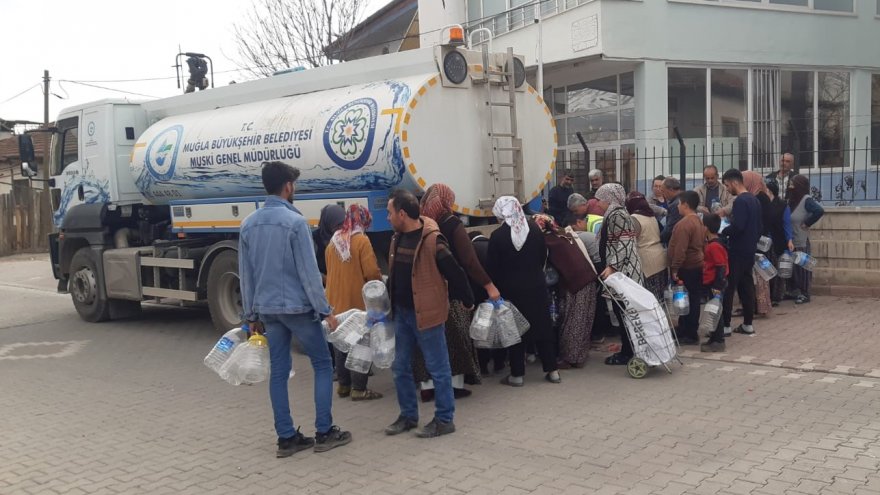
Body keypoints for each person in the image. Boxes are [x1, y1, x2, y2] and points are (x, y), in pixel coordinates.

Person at [239, 161, 351, 458]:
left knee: (279, 371)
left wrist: (250, 316)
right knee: (322, 365)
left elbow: (246, 275)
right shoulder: (296, 223)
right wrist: (325, 309)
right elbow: (309, 273)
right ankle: (325, 431)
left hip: (268, 311)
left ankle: (286, 438)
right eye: (294, 184)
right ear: (288, 185)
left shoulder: (248, 224)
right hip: (299, 309)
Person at [384, 189, 473, 439]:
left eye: (390, 212)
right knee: (400, 367)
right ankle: (408, 416)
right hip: (402, 314)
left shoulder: (433, 240)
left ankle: (445, 419)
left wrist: (467, 299)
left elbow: (455, 272)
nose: (387, 217)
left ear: (402, 213)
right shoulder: (396, 238)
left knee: (438, 368)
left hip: (428, 314)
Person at [415, 184, 501, 401]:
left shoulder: (421, 224)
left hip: (424, 291)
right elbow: (469, 261)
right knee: (455, 339)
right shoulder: (452, 224)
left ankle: (427, 387)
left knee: (428, 341)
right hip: (451, 291)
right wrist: (488, 285)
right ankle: (454, 386)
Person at [488, 197, 560, 386]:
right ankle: (553, 371)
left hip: (511, 289)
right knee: (543, 328)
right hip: (536, 285)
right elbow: (543, 256)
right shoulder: (534, 230)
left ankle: (517, 375)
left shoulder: (497, 236)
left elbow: (492, 267)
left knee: (515, 331)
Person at [325, 204, 383, 402]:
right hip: (356, 304)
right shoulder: (361, 241)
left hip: (335, 303)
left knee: (342, 344)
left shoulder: (333, 242)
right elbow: (372, 273)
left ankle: (343, 386)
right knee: (361, 345)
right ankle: (359, 389)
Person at [533, 214, 598, 369]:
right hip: (588, 277)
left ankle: (570, 358)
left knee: (573, 321)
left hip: (576, 282)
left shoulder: (546, 241)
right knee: (583, 319)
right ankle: (579, 354)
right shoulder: (561, 233)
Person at [594, 184, 646, 366]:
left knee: (624, 313)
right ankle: (628, 349)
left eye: (600, 199)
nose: (597, 203)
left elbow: (624, 244)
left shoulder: (617, 215)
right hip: (621, 271)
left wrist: (612, 266)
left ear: (609, 200)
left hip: (624, 272)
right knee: (623, 312)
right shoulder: (616, 214)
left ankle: (628, 353)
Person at [720, 169, 761, 336]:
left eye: (727, 185)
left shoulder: (740, 201)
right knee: (746, 286)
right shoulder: (754, 200)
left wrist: (724, 231)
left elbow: (738, 226)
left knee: (729, 288)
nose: (727, 189)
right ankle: (748, 324)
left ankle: (726, 326)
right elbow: (759, 227)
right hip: (750, 249)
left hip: (737, 250)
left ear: (735, 182)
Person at [667, 191, 704, 346]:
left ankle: (690, 332)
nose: (677, 206)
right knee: (692, 299)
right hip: (696, 264)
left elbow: (680, 249)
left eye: (679, 203)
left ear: (686, 205)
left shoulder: (684, 224)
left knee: (689, 300)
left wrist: (675, 269)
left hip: (687, 267)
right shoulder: (697, 220)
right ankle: (685, 327)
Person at [787, 175, 825, 305]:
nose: (790, 187)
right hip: (792, 239)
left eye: (793, 184)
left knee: (803, 268)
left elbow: (819, 211)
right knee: (793, 268)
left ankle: (805, 293)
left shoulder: (806, 200)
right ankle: (794, 290)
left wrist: (807, 223)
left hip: (801, 239)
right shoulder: (792, 200)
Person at [625, 191, 667, 302]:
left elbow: (632, 240)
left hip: (647, 261)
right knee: (660, 298)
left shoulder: (634, 218)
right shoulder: (651, 216)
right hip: (660, 258)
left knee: (650, 299)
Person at [743, 171, 773, 318]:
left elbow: (762, 222)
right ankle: (753, 306)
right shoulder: (756, 197)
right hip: (758, 241)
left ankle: (759, 307)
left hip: (758, 243)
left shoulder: (759, 198)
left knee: (758, 276)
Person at [701, 213, 729, 353]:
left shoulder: (714, 246)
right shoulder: (712, 244)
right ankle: (714, 337)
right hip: (712, 282)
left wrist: (717, 286)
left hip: (715, 284)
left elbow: (721, 266)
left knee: (716, 311)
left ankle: (718, 340)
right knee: (713, 311)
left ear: (705, 227)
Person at [765, 179, 795, 305]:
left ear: (769, 191)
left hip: (778, 241)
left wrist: (789, 240)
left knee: (778, 270)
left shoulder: (783, 205)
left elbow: (787, 223)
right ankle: (767, 295)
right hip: (765, 242)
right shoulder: (763, 204)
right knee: (766, 270)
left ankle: (776, 296)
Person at [313, 205, 345, 277]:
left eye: (343, 224)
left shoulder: (345, 237)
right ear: (329, 221)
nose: (341, 228)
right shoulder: (314, 239)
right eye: (338, 225)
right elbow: (310, 267)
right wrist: (324, 279)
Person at [659, 177, 683, 245]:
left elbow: (671, 228)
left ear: (671, 190)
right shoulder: (684, 198)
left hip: (676, 243)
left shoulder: (675, 205)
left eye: (663, 191)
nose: (662, 194)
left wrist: (659, 238)